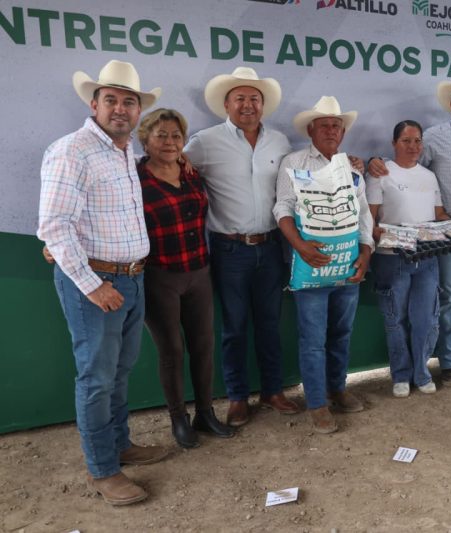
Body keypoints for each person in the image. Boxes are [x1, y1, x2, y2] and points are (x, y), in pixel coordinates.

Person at [37, 59, 168, 506]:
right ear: (94, 105)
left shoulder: (124, 152)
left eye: (129, 102)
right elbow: (54, 226)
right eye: (110, 99)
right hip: (96, 281)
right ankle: (103, 469)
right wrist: (92, 285)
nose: (119, 108)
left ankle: (119, 444)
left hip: (131, 277)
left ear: (138, 111)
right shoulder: (72, 150)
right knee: (96, 377)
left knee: (119, 370)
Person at [369, 72, 451, 387]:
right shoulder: (433, 137)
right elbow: (407, 165)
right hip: (445, 234)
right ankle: (450, 362)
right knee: (449, 298)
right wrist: (376, 160)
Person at [183, 67, 299, 427]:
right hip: (229, 249)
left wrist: (355, 163)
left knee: (269, 323)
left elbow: (299, 180)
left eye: (254, 99)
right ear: (226, 104)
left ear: (263, 105)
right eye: (240, 98)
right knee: (233, 327)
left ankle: (272, 391)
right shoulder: (205, 142)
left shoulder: (279, 141)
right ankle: (236, 397)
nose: (247, 105)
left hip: (272, 245)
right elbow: (173, 167)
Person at [274, 96, 374, 434]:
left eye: (336, 126)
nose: (331, 130)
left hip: (347, 266)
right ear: (310, 130)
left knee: (341, 334)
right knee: (313, 339)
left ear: (343, 132)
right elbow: (283, 207)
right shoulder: (294, 162)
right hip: (310, 267)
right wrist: (300, 246)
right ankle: (317, 403)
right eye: (324, 125)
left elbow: (364, 216)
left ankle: (337, 389)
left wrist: (366, 253)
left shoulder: (352, 169)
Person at [137, 108, 234, 448]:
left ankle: (205, 413)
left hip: (199, 272)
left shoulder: (191, 173)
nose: (169, 141)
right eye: (161, 135)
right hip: (159, 276)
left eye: (176, 135)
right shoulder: (135, 178)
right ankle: (178, 419)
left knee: (203, 345)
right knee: (171, 350)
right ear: (145, 140)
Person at [367, 120, 450, 398]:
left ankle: (421, 372)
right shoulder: (380, 173)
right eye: (406, 141)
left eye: (417, 141)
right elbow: (370, 220)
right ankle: (401, 375)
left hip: (426, 257)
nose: (412, 146)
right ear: (394, 143)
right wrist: (387, 236)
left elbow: (438, 215)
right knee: (395, 319)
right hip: (391, 258)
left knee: (426, 319)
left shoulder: (429, 176)